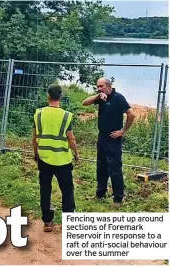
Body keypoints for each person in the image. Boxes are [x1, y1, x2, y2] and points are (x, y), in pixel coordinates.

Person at [32, 84, 79, 232]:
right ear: (61, 97)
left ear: (48, 96)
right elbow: (71, 139)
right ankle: (69, 220)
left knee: (45, 189)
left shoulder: (38, 114)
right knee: (67, 189)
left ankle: (47, 221)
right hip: (62, 160)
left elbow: (34, 137)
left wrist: (36, 153)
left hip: (44, 158)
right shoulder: (66, 115)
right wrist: (76, 154)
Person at [82, 78, 135, 208]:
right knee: (101, 167)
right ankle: (100, 194)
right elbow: (84, 103)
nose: (99, 88)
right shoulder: (100, 97)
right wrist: (97, 96)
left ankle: (118, 199)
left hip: (113, 139)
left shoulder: (118, 98)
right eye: (97, 86)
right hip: (102, 137)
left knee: (115, 169)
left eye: (101, 86)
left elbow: (131, 114)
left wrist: (123, 131)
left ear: (109, 86)